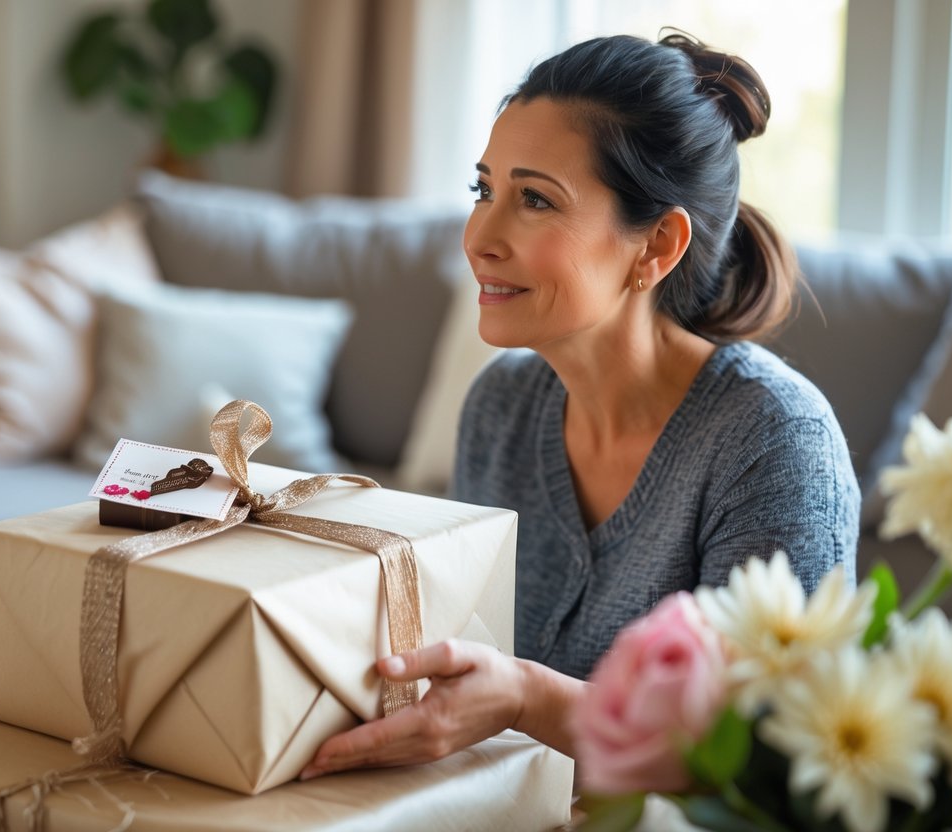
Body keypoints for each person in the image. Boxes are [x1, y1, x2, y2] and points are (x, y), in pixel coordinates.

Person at [299, 31, 859, 777]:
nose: (479, 237)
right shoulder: (499, 409)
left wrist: (529, 700)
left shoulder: (772, 440)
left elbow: (775, 764)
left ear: (656, 245)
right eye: (483, 190)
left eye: (534, 199)